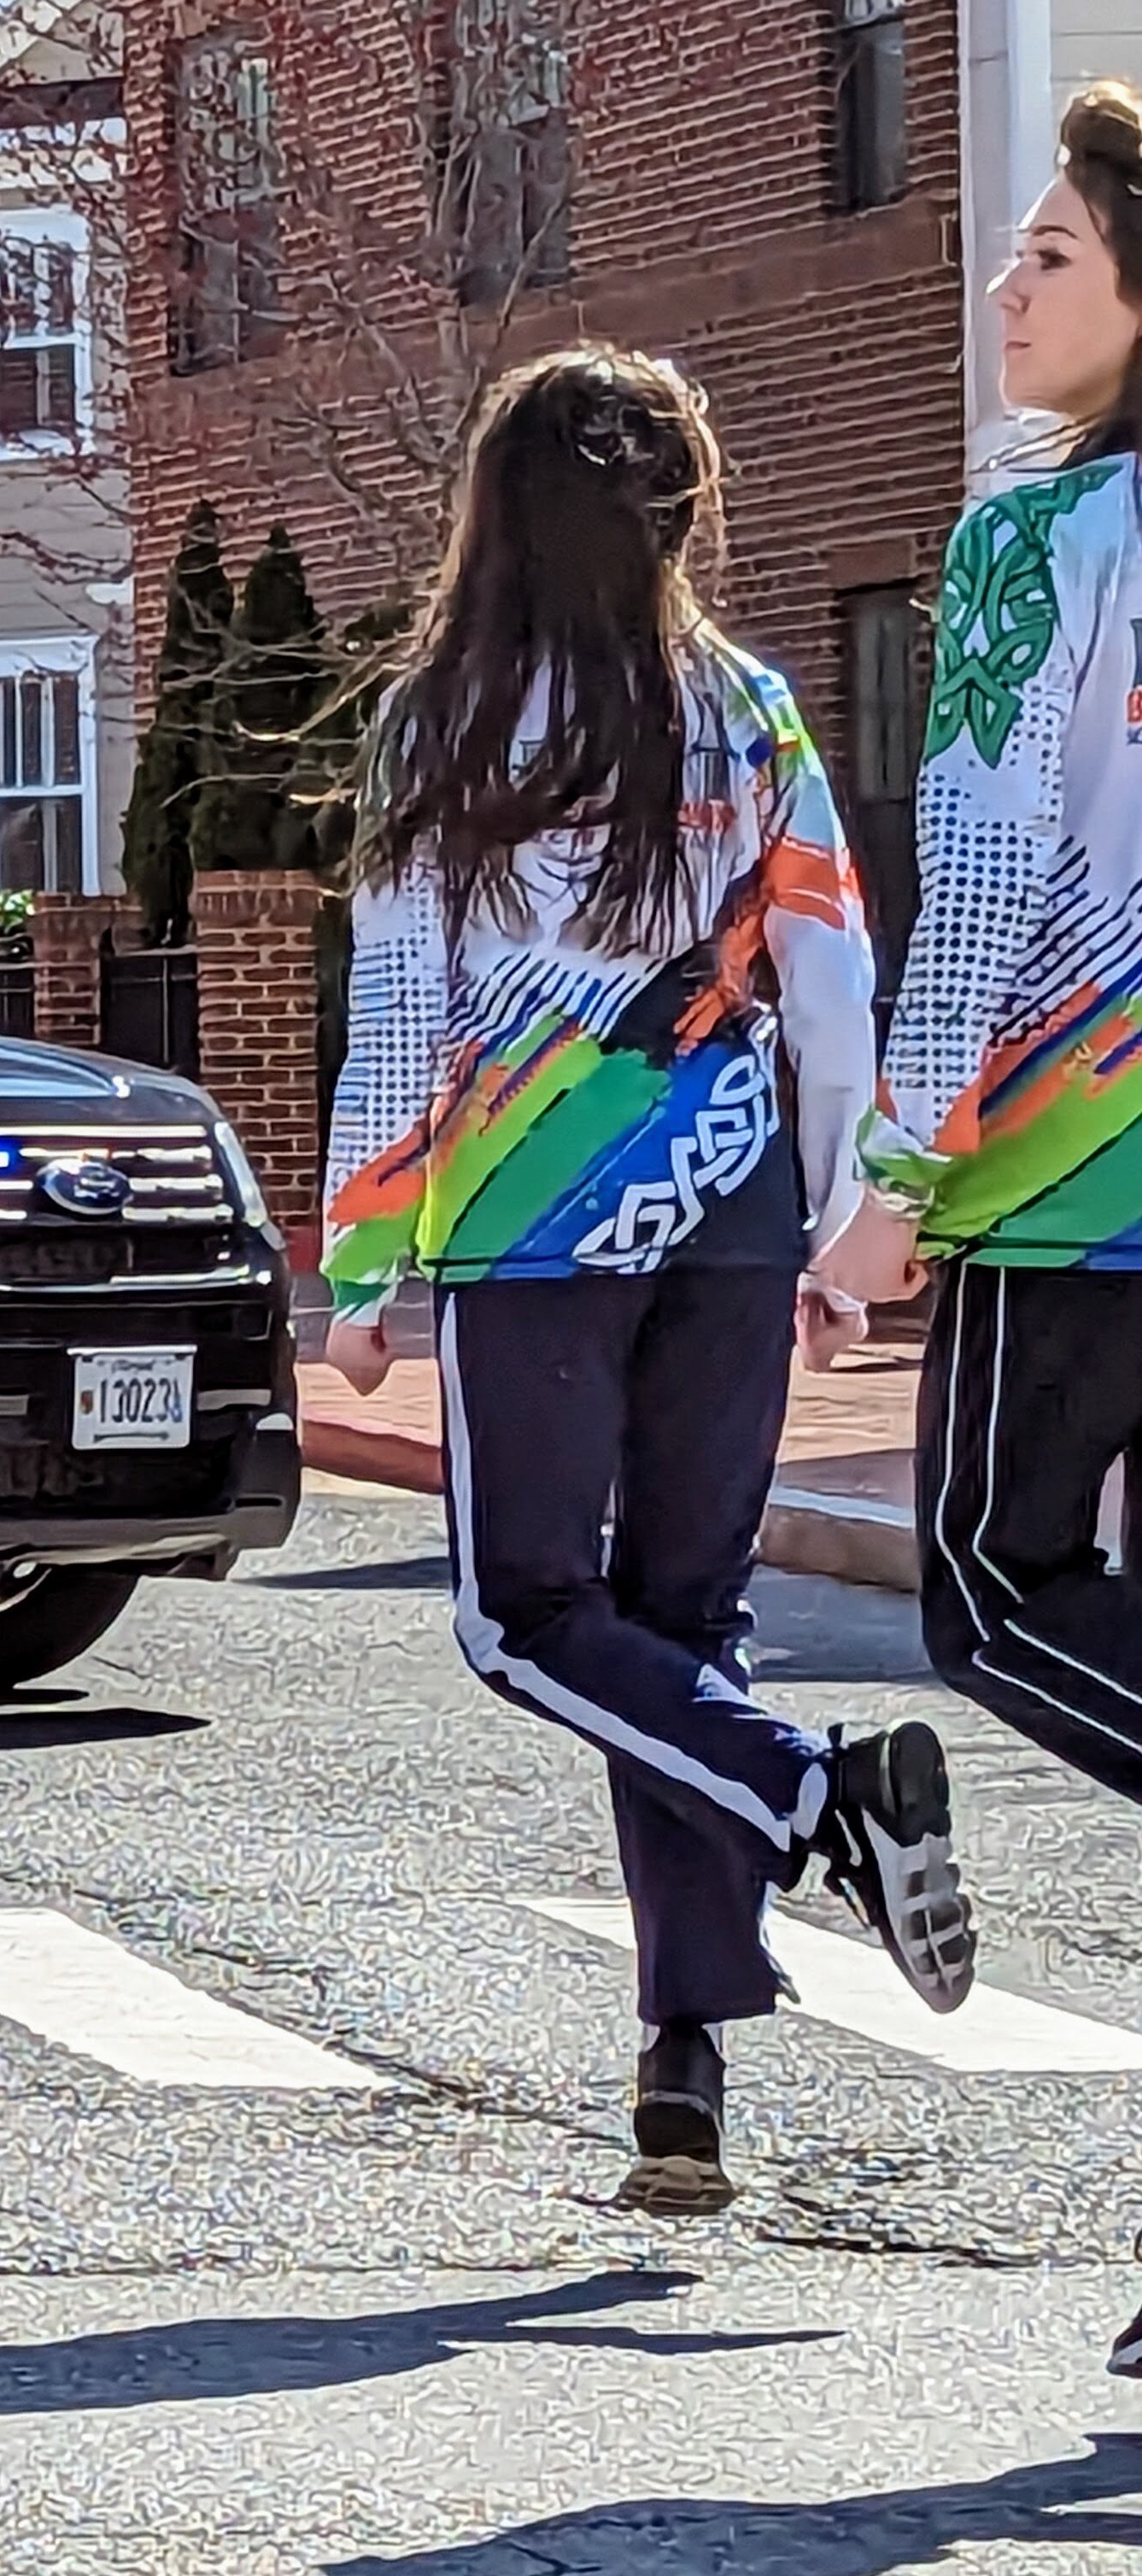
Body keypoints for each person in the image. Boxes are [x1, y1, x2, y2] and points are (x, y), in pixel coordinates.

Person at [321, 345, 975, 2220]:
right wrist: (843, 1214)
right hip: (735, 1194)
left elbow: (398, 1013)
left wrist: (369, 1264)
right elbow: (835, 975)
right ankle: (683, 2065)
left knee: (527, 1621)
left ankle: (813, 1795)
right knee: (676, 1627)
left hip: (538, 1216)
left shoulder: (446, 719)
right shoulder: (751, 707)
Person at [819, 79, 1142, 2375]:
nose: (1002, 281)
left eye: (1048, 250)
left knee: (989, 1591)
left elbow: (987, 903)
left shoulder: (1038, 550)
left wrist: (893, 1184)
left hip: (1071, 1186)